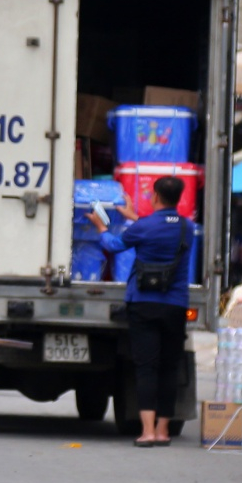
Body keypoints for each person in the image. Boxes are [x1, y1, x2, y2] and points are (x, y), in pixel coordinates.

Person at [94, 175, 195, 446]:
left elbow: (114, 245)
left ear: (155, 196)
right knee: (169, 367)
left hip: (143, 303)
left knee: (146, 367)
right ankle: (163, 431)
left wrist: (101, 227)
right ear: (179, 198)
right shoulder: (187, 227)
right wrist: (134, 217)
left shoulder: (145, 226)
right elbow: (163, 228)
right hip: (175, 305)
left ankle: (147, 432)